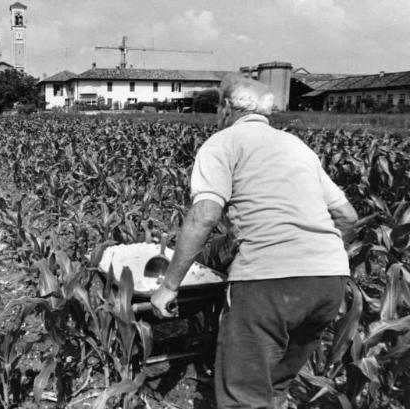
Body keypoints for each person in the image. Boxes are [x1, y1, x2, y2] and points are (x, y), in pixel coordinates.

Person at [150, 73, 358, 408]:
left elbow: (204, 216)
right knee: (275, 386)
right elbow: (347, 217)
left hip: (268, 284)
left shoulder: (222, 143)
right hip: (329, 284)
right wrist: (320, 258)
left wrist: (170, 285)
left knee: (244, 397)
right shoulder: (297, 146)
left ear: (225, 108)